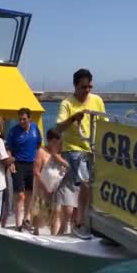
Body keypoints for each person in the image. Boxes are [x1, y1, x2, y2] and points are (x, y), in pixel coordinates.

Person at [55, 68, 105, 239]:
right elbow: (59, 127)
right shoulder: (66, 104)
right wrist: (73, 118)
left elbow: (105, 123)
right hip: (74, 148)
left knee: (94, 184)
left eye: (90, 86)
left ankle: (93, 219)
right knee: (84, 183)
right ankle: (80, 221)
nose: (87, 90)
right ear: (75, 86)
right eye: (84, 87)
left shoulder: (97, 100)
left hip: (93, 148)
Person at [6, 108, 43, 232]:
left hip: (32, 164)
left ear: (29, 119)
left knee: (29, 193)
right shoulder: (13, 131)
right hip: (18, 164)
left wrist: (40, 161)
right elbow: (9, 148)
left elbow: (38, 145)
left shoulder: (35, 129)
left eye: (24, 119)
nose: (22, 121)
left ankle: (26, 218)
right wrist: (11, 161)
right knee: (19, 195)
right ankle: (18, 223)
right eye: (20, 119)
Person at [32, 129, 69, 235]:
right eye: (55, 142)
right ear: (50, 140)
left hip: (56, 187)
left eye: (59, 141)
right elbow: (36, 171)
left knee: (56, 213)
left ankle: (54, 235)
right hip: (42, 188)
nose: (57, 144)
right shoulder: (41, 151)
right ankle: (36, 232)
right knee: (40, 214)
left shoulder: (61, 152)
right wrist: (45, 188)